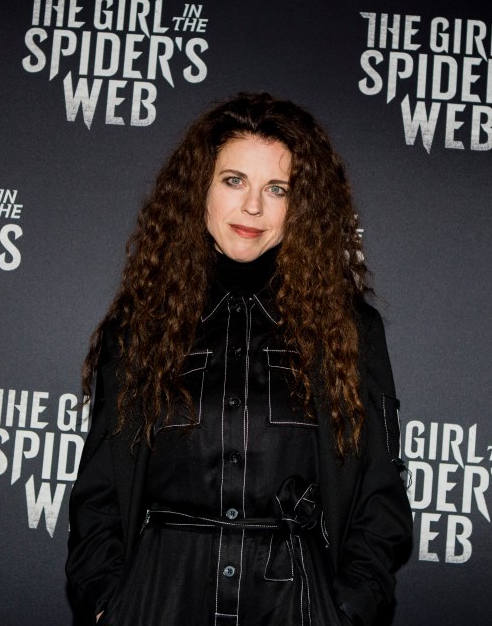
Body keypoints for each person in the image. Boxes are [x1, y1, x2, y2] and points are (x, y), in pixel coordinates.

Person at [66, 93, 412, 626]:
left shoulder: (347, 330)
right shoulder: (141, 327)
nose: (253, 206)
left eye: (277, 189)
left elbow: (379, 495)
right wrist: (107, 604)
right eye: (234, 181)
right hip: (159, 601)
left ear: (301, 206)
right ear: (199, 189)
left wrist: (348, 610)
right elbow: (100, 492)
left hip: (295, 607)